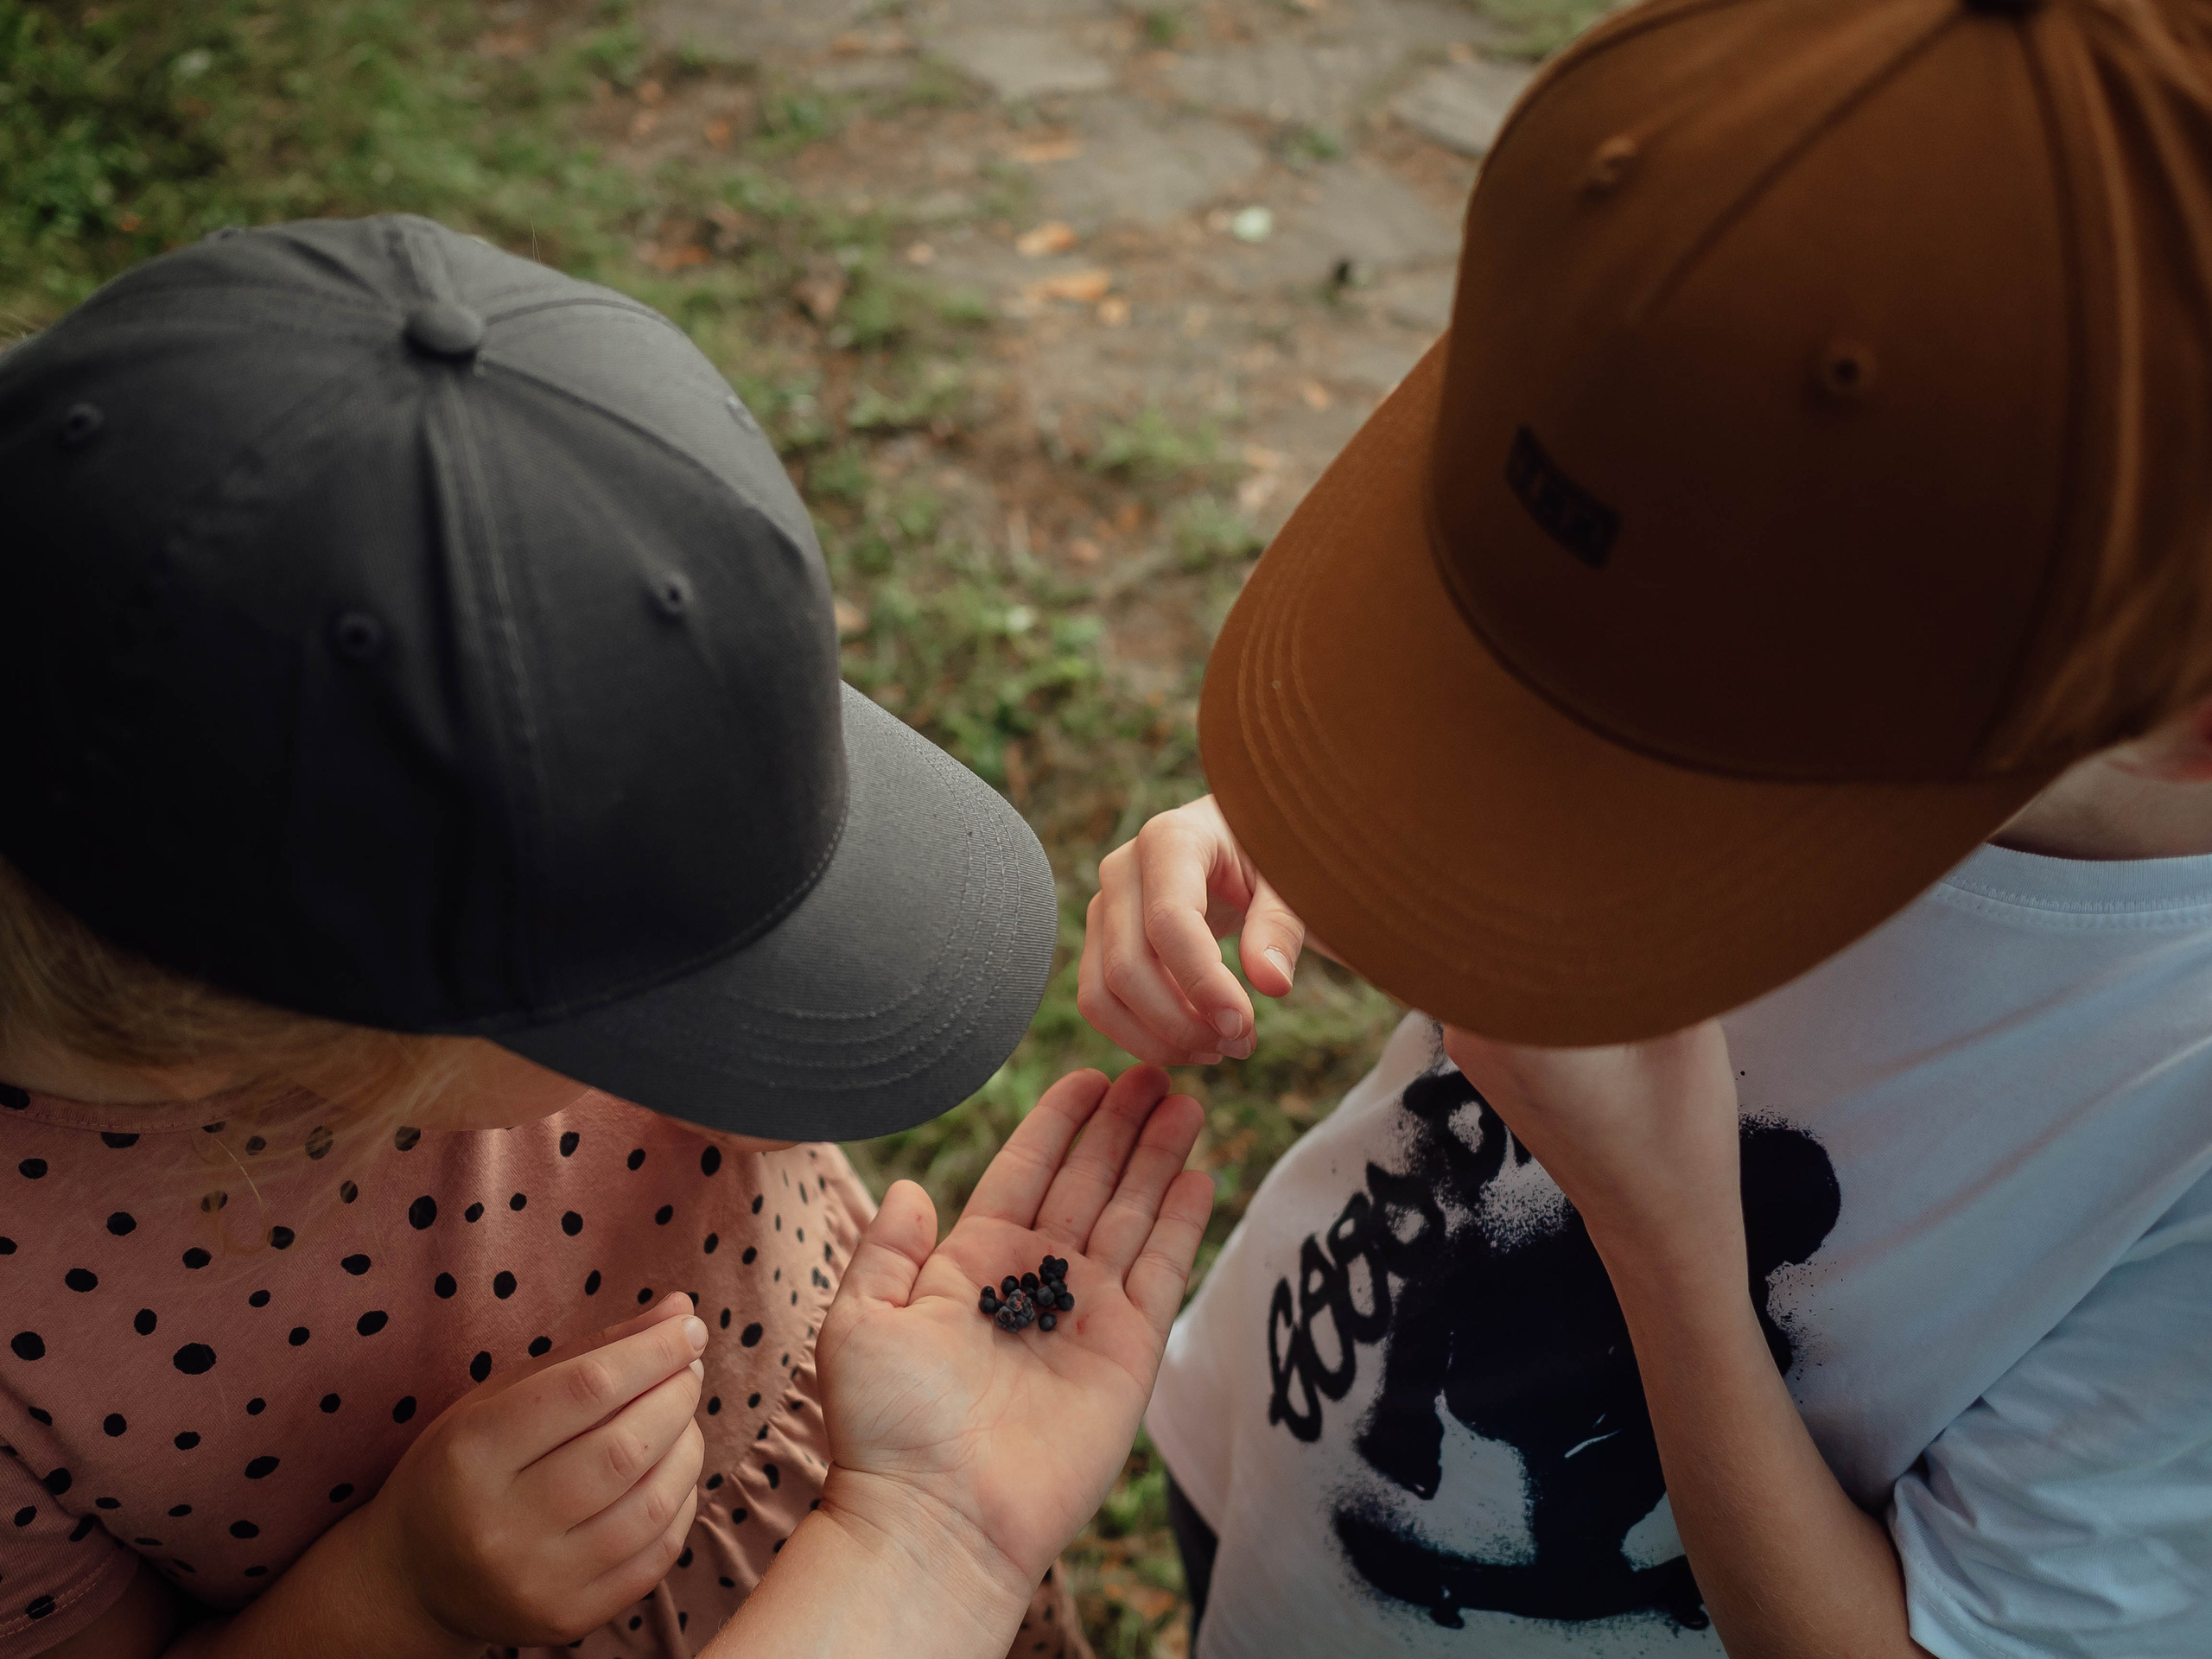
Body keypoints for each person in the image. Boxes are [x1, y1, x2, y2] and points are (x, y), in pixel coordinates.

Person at [1077, 0, 2212, 1654]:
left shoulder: (2175, 1119)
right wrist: (1338, 827)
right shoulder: (1843, 501)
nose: (1594, 796)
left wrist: (1665, 1226)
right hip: (1279, 1429)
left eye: (1672, 772)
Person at [0, 214, 1214, 1659]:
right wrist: (397, 1597)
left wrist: (934, 1528)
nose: (735, 1094)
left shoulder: (456, 842)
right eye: (690, 1003)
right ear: (334, 1044)